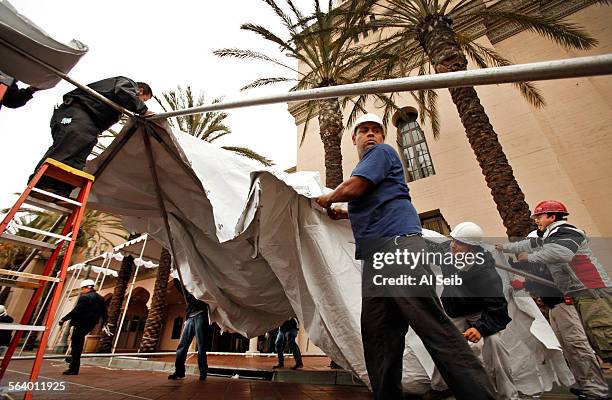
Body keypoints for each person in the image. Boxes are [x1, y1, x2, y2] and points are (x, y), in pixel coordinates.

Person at [316, 113, 495, 400]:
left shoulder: (381, 153)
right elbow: (375, 207)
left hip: (399, 250)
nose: (371, 135)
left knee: (431, 325)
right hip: (377, 260)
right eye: (364, 131)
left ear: (383, 137)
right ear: (354, 139)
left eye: (376, 130)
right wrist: (345, 214)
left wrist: (328, 198)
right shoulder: (369, 168)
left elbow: (355, 187)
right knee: (379, 337)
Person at [496, 200, 612, 364]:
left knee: (604, 334)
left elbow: (561, 253)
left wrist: (530, 257)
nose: (536, 220)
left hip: (592, 289)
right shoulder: (550, 236)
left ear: (552, 216)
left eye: (539, 216)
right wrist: (504, 248)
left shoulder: (566, 232)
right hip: (582, 291)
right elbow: (529, 243)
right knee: (596, 336)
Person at [507, 230, 610, 400]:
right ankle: (586, 384)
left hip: (565, 305)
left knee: (578, 346)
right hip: (554, 306)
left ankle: (596, 388)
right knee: (569, 348)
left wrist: (527, 282)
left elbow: (554, 280)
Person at [427, 222, 518, 400]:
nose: (453, 245)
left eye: (459, 243)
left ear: (472, 248)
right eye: (453, 240)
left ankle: (508, 395)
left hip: (480, 312)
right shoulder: (447, 252)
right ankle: (440, 388)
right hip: (455, 311)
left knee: (494, 344)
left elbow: (498, 310)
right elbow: (426, 247)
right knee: (445, 344)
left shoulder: (486, 274)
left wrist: (480, 328)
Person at [30, 76, 152, 198]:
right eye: (143, 99)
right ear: (140, 90)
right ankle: (41, 184)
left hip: (91, 125)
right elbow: (122, 91)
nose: (141, 102)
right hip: (78, 113)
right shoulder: (127, 83)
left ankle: (61, 191)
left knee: (78, 159)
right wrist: (143, 110)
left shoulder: (118, 99)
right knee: (68, 148)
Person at [59, 279, 107, 375]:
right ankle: (71, 359)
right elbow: (104, 312)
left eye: (83, 288)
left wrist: (64, 319)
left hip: (80, 323)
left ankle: (73, 368)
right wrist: (105, 323)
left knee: (77, 345)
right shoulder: (100, 298)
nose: (82, 290)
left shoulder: (85, 298)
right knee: (78, 343)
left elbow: (76, 311)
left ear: (87, 288)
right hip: (90, 325)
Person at [168, 275, 209, 381]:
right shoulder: (188, 292)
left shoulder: (203, 289)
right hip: (190, 318)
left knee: (201, 346)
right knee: (182, 345)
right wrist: (176, 273)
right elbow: (178, 283)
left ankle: (203, 372)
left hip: (201, 315)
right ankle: (179, 372)